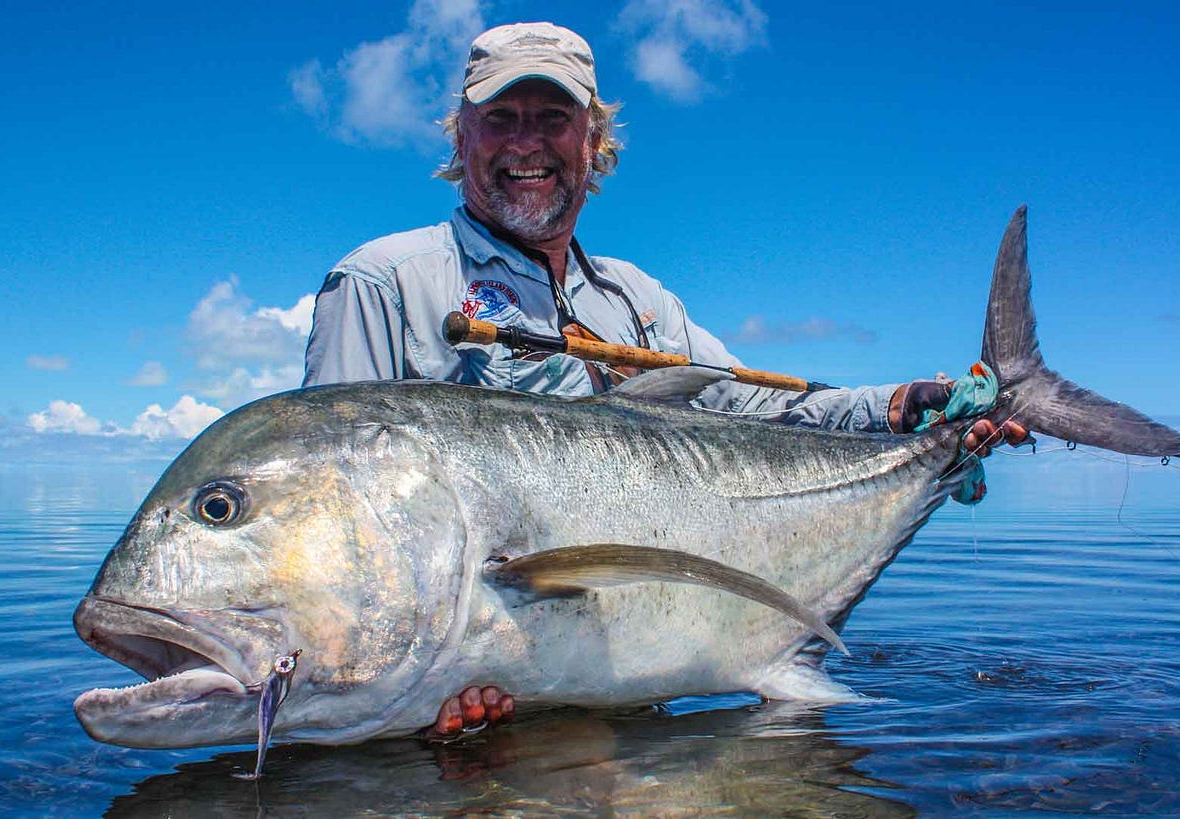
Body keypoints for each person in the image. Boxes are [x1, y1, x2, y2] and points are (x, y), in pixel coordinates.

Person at [302, 21, 1026, 739]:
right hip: (467, 734)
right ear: (461, 138)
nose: (526, 142)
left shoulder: (638, 302)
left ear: (593, 144)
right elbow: (333, 530)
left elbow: (763, 409)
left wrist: (910, 414)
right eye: (500, 120)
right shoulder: (384, 284)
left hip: (638, 720)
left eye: (553, 118)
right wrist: (401, 694)